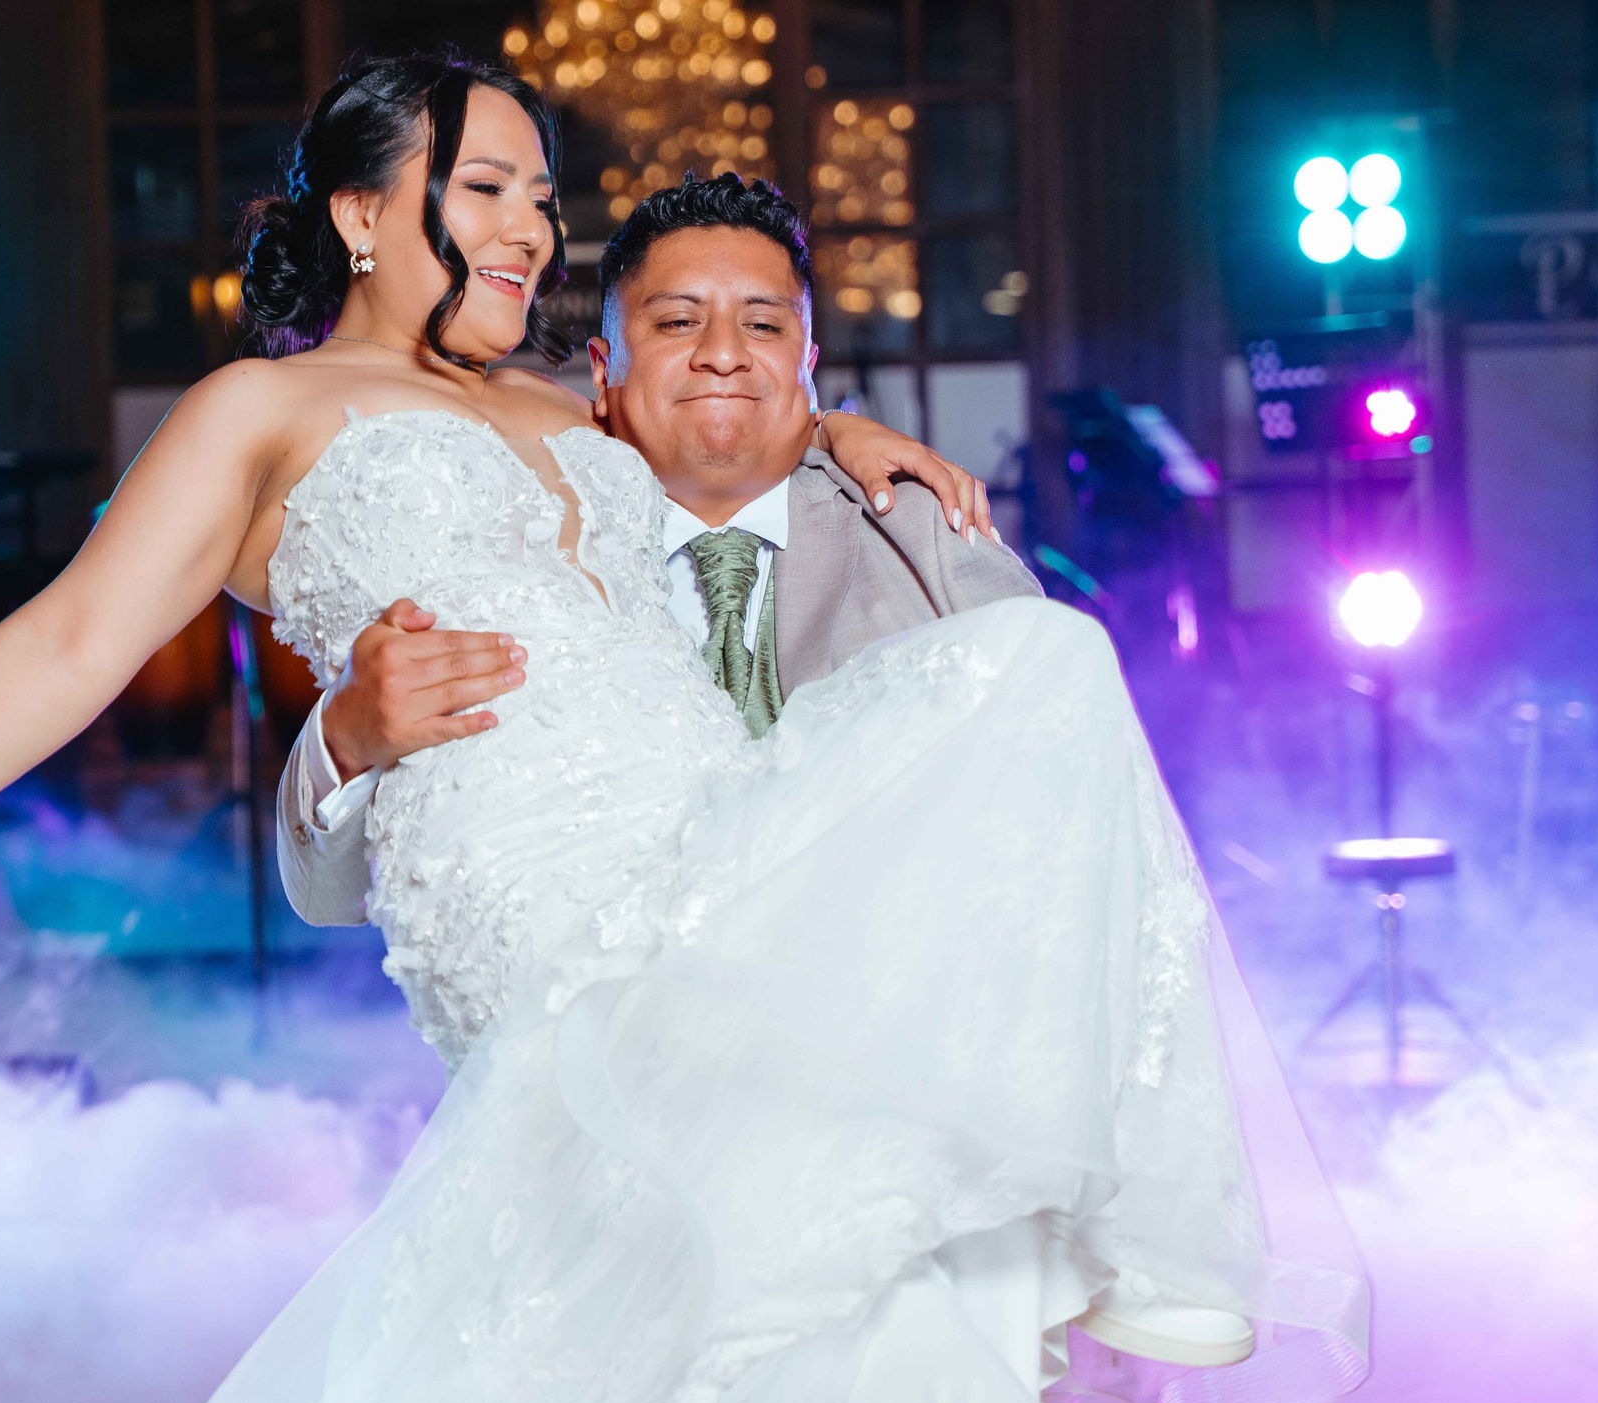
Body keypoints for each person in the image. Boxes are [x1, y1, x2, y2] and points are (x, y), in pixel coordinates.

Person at [0, 53, 1368, 1403]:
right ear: (368, 214)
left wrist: (837, 428)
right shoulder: (266, 406)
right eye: (489, 189)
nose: (536, 230)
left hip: (723, 848)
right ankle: (1133, 1232)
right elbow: (73, 638)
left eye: (544, 197)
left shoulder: (564, 400)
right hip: (541, 906)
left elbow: (718, 392)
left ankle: (1134, 1228)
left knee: (858, 1264)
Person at [273, 172, 1044, 932]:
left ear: (807, 366)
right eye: (678, 323)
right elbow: (331, 897)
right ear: (603, 373)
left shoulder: (924, 530)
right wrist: (341, 743)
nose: (723, 354)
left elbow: (1061, 810)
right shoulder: (526, 562)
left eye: (765, 326)